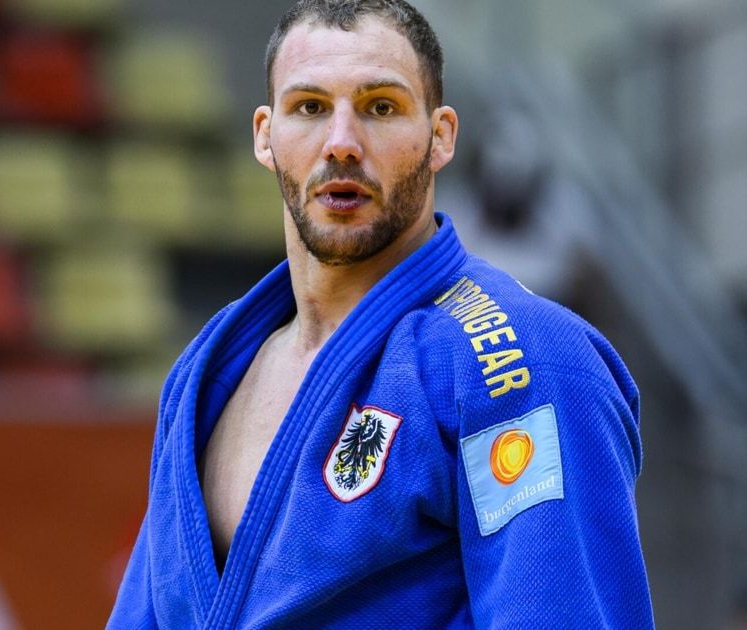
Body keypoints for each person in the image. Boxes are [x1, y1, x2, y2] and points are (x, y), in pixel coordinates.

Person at [109, 0, 654, 627]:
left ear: (441, 135)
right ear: (265, 134)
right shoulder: (204, 373)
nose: (341, 143)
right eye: (309, 107)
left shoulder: (522, 360)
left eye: (381, 107)